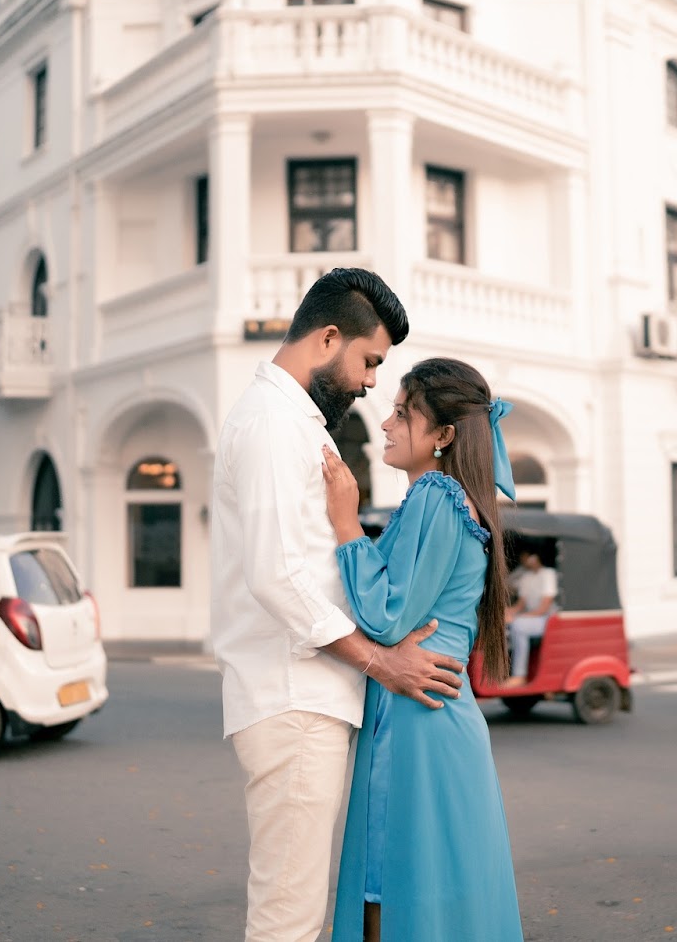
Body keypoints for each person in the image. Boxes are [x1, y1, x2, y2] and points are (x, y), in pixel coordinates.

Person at [210, 268, 465, 942]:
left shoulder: (296, 421)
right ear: (328, 338)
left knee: (297, 911)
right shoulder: (272, 422)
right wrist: (382, 663)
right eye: (370, 360)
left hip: (309, 694)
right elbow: (277, 576)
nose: (373, 382)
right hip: (294, 696)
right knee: (288, 919)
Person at [321, 357, 524, 941]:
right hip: (438, 716)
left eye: (402, 413)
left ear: (443, 435)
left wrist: (346, 524)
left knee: (390, 893)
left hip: (416, 721)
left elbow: (387, 617)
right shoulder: (456, 500)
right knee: (441, 897)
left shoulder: (437, 494)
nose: (386, 423)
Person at [503, 547, 558, 685]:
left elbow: (544, 608)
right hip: (531, 617)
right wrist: (507, 612)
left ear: (535, 557)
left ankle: (520, 675)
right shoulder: (526, 577)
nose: (524, 560)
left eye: (527, 557)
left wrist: (518, 617)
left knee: (519, 626)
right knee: (505, 622)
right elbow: (521, 604)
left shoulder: (548, 574)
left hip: (547, 619)